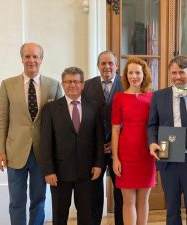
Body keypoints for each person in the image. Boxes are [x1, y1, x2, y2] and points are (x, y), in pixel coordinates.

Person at [0, 42, 63, 225]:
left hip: (42, 154)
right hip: (14, 152)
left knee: (38, 201)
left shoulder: (54, 85)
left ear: (41, 59)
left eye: (35, 56)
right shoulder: (7, 85)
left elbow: (60, 123)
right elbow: (2, 120)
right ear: (21, 59)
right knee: (16, 202)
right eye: (27, 56)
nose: (31, 60)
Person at [40, 67, 104, 225]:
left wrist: (98, 164)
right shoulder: (51, 109)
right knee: (60, 215)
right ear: (62, 84)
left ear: (83, 84)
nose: (72, 85)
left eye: (76, 81)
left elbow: (98, 139)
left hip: (87, 172)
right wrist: (48, 170)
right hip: (60, 174)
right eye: (68, 81)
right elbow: (46, 142)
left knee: (86, 216)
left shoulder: (93, 107)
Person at [147, 56, 187, 225]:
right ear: (169, 74)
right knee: (171, 205)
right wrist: (152, 142)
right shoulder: (159, 96)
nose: (177, 76)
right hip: (168, 152)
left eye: (181, 72)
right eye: (174, 73)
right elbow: (152, 125)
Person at [111, 57, 156, 225]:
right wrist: (115, 158)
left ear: (144, 75)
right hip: (126, 154)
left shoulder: (152, 97)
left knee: (143, 200)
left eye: (137, 72)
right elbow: (115, 130)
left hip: (146, 154)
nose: (134, 76)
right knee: (128, 201)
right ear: (126, 75)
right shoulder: (119, 98)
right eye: (130, 72)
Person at [82, 50, 124, 225]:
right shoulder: (86, 86)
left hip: (120, 150)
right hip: (94, 150)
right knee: (94, 194)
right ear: (97, 65)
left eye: (110, 63)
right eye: (103, 63)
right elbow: (83, 118)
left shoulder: (127, 85)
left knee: (121, 193)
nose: (107, 66)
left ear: (116, 66)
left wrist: (114, 144)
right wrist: (99, 144)